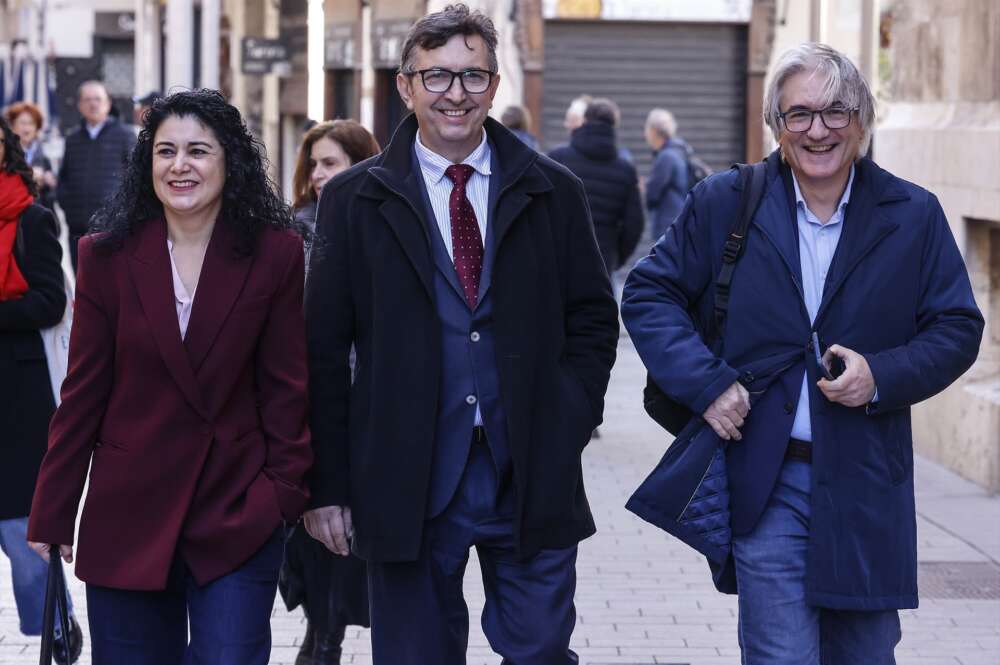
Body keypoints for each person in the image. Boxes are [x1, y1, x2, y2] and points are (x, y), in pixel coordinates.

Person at [622, 43, 984, 664]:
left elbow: (956, 327)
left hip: (867, 480)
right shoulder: (727, 201)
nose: (819, 130)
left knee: (865, 654)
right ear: (776, 124)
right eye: (800, 114)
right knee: (780, 654)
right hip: (768, 476)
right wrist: (706, 383)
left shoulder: (912, 215)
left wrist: (881, 375)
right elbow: (650, 293)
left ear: (862, 121)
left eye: (836, 111)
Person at [304, 4, 619, 664]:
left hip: (528, 470)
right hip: (405, 477)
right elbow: (323, 350)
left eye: (473, 76)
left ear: (494, 85)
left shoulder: (553, 191)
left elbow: (592, 317)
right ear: (406, 86)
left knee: (540, 650)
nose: (456, 93)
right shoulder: (353, 201)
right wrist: (327, 485)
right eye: (437, 76)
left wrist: (567, 418)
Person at [26, 89, 313, 664]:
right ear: (147, 162)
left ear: (230, 161)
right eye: (165, 151)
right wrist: (53, 509)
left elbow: (287, 387)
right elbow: (83, 393)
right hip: (128, 514)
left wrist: (283, 495)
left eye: (198, 151)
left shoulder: (275, 253)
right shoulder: (105, 257)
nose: (180, 165)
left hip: (235, 509)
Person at [282, 117, 379, 665]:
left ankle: (327, 637)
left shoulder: (381, 226)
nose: (319, 174)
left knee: (348, 529)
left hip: (364, 402)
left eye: (331, 163)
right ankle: (321, 633)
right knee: (311, 531)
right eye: (314, 164)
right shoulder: (291, 231)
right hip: (301, 399)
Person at [0, 117, 82, 664]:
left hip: (18, 395)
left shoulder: (32, 218)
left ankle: (56, 623)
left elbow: (51, 302)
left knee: (22, 530)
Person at [548, 97, 643, 275]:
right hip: (602, 261)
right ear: (614, 126)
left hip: (560, 257)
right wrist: (616, 257)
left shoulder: (557, 159)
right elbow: (634, 224)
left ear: (584, 121)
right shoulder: (626, 170)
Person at [56, 80, 136, 271]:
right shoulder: (72, 139)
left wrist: (123, 211)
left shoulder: (125, 135)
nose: (93, 104)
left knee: (110, 280)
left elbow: (136, 177)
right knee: (81, 277)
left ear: (108, 104)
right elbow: (64, 177)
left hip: (112, 226)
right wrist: (67, 205)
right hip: (78, 226)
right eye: (88, 100)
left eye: (98, 99)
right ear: (79, 105)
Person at [290, 119, 381, 277]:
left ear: (360, 166)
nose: (316, 175)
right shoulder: (296, 233)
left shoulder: (390, 223)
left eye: (329, 163)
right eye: (313, 164)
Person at [643, 107, 690, 239]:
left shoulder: (666, 157)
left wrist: (645, 187)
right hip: (677, 221)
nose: (645, 134)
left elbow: (653, 193)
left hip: (668, 225)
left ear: (654, 130)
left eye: (646, 129)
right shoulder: (679, 151)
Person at [5, 102, 57, 210]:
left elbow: (52, 194)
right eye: (23, 123)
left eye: (31, 123)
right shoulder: (4, 153)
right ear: (12, 126)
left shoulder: (43, 156)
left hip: (37, 212)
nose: (27, 128)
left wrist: (48, 181)